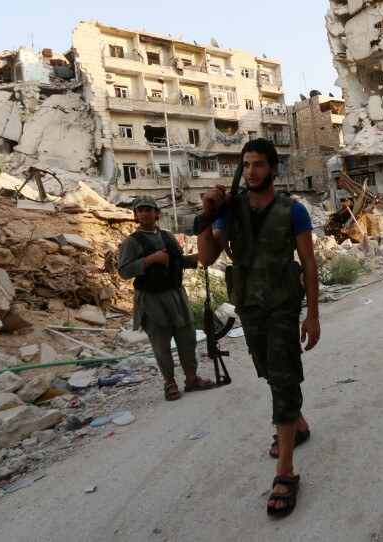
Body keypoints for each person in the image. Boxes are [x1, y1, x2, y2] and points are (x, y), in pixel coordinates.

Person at [197, 139, 320, 518]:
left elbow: (309, 262)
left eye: (259, 165)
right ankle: (296, 425)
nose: (251, 171)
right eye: (246, 165)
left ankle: (285, 472)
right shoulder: (230, 212)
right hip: (249, 305)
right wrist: (206, 213)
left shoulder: (292, 210)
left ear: (274, 170)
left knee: (282, 375)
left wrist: (312, 313)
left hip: (283, 305)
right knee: (268, 370)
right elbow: (205, 257)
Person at [118, 196, 218, 401]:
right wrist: (150, 260)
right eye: (141, 210)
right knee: (161, 342)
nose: (145, 213)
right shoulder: (131, 242)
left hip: (175, 294)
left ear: (156, 213)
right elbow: (124, 271)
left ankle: (191, 378)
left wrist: (199, 257)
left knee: (187, 337)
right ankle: (169, 383)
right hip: (151, 299)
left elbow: (178, 261)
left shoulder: (168, 236)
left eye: (149, 209)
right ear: (136, 215)